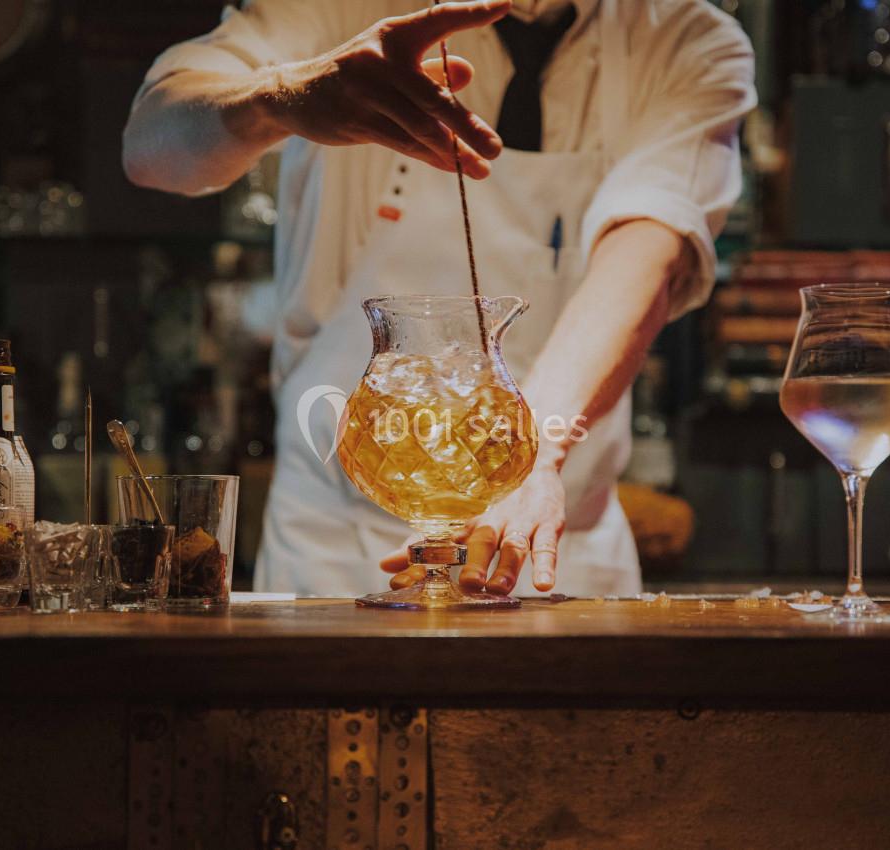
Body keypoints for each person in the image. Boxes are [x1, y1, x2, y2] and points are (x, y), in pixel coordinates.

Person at [124, 0, 756, 598]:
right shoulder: (341, 8)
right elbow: (150, 146)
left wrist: (533, 461)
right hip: (336, 552)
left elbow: (645, 253)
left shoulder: (687, 39)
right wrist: (281, 98)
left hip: (551, 547)